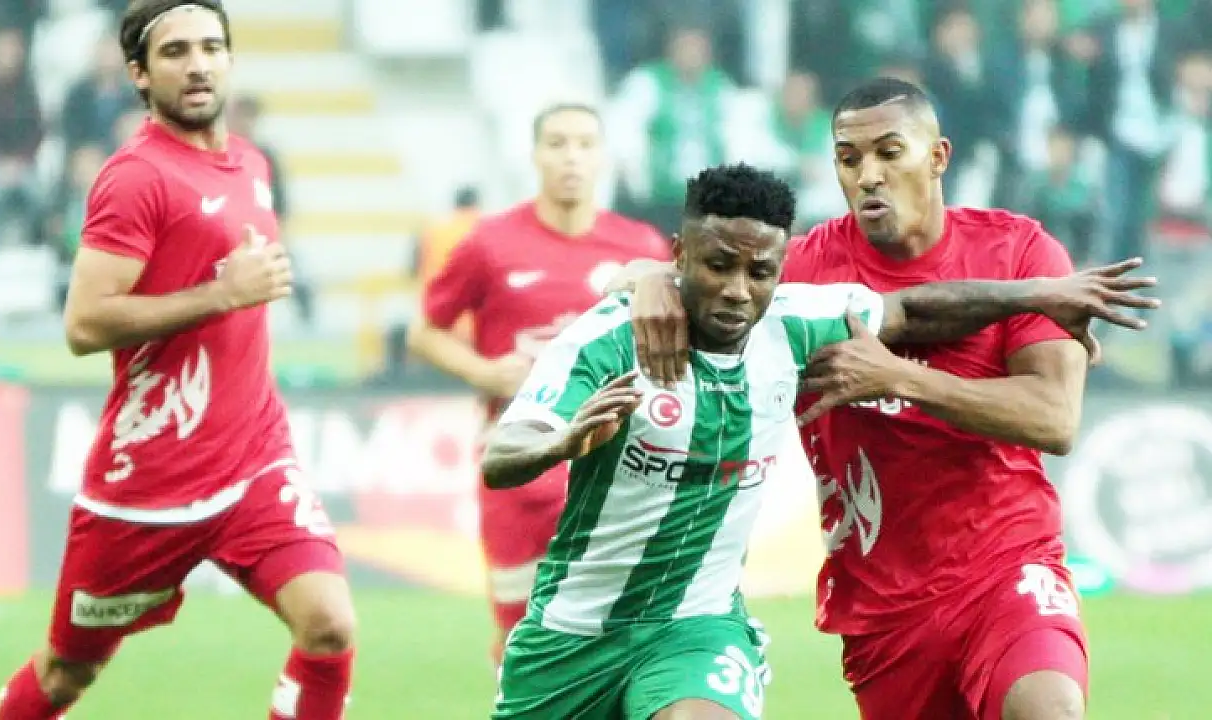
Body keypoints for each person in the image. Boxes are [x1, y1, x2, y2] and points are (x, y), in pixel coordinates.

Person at [486, 163, 1156, 720]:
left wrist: (1037, 295)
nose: (738, 292)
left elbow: (915, 310)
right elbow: (504, 451)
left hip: (696, 626)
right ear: (680, 255)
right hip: (571, 635)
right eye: (718, 266)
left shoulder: (795, 323)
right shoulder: (610, 340)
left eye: (760, 272)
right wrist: (560, 443)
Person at [0, 3, 355, 719]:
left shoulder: (252, 162)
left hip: (253, 458)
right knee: (66, 673)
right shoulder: (136, 177)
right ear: (139, 73)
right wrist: (222, 295)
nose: (197, 65)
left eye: (212, 48)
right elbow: (85, 323)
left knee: (330, 625)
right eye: (176, 52)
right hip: (151, 481)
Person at [406, 102, 672, 662]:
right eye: (557, 143)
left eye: (584, 144)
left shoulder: (642, 248)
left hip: (613, 463)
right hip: (520, 461)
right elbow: (424, 333)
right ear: (534, 155)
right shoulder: (489, 244)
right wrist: (484, 372)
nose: (571, 157)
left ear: (603, 157)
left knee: (618, 629)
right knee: (520, 634)